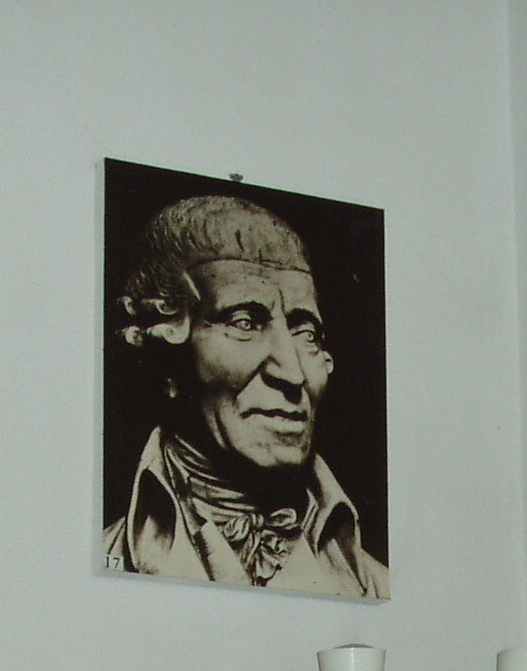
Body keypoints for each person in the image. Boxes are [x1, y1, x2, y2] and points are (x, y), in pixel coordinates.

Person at [105, 195, 387, 599]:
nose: (292, 373)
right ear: (168, 357)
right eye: (244, 323)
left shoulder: (376, 586)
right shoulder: (101, 560)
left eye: (306, 333)